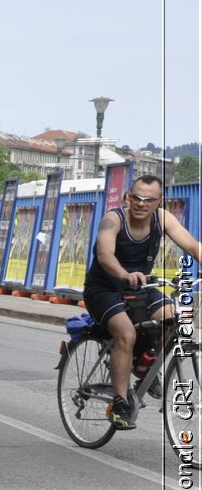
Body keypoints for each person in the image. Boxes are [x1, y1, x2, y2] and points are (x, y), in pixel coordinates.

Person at [85, 175, 201, 429]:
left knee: (178, 317)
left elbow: (193, 246)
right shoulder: (113, 219)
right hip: (105, 288)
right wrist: (125, 274)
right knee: (126, 334)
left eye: (148, 199)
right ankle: (120, 404)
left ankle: (144, 368)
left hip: (142, 286)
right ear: (128, 197)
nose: (141, 203)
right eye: (136, 197)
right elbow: (105, 255)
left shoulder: (162, 218)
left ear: (159, 201)